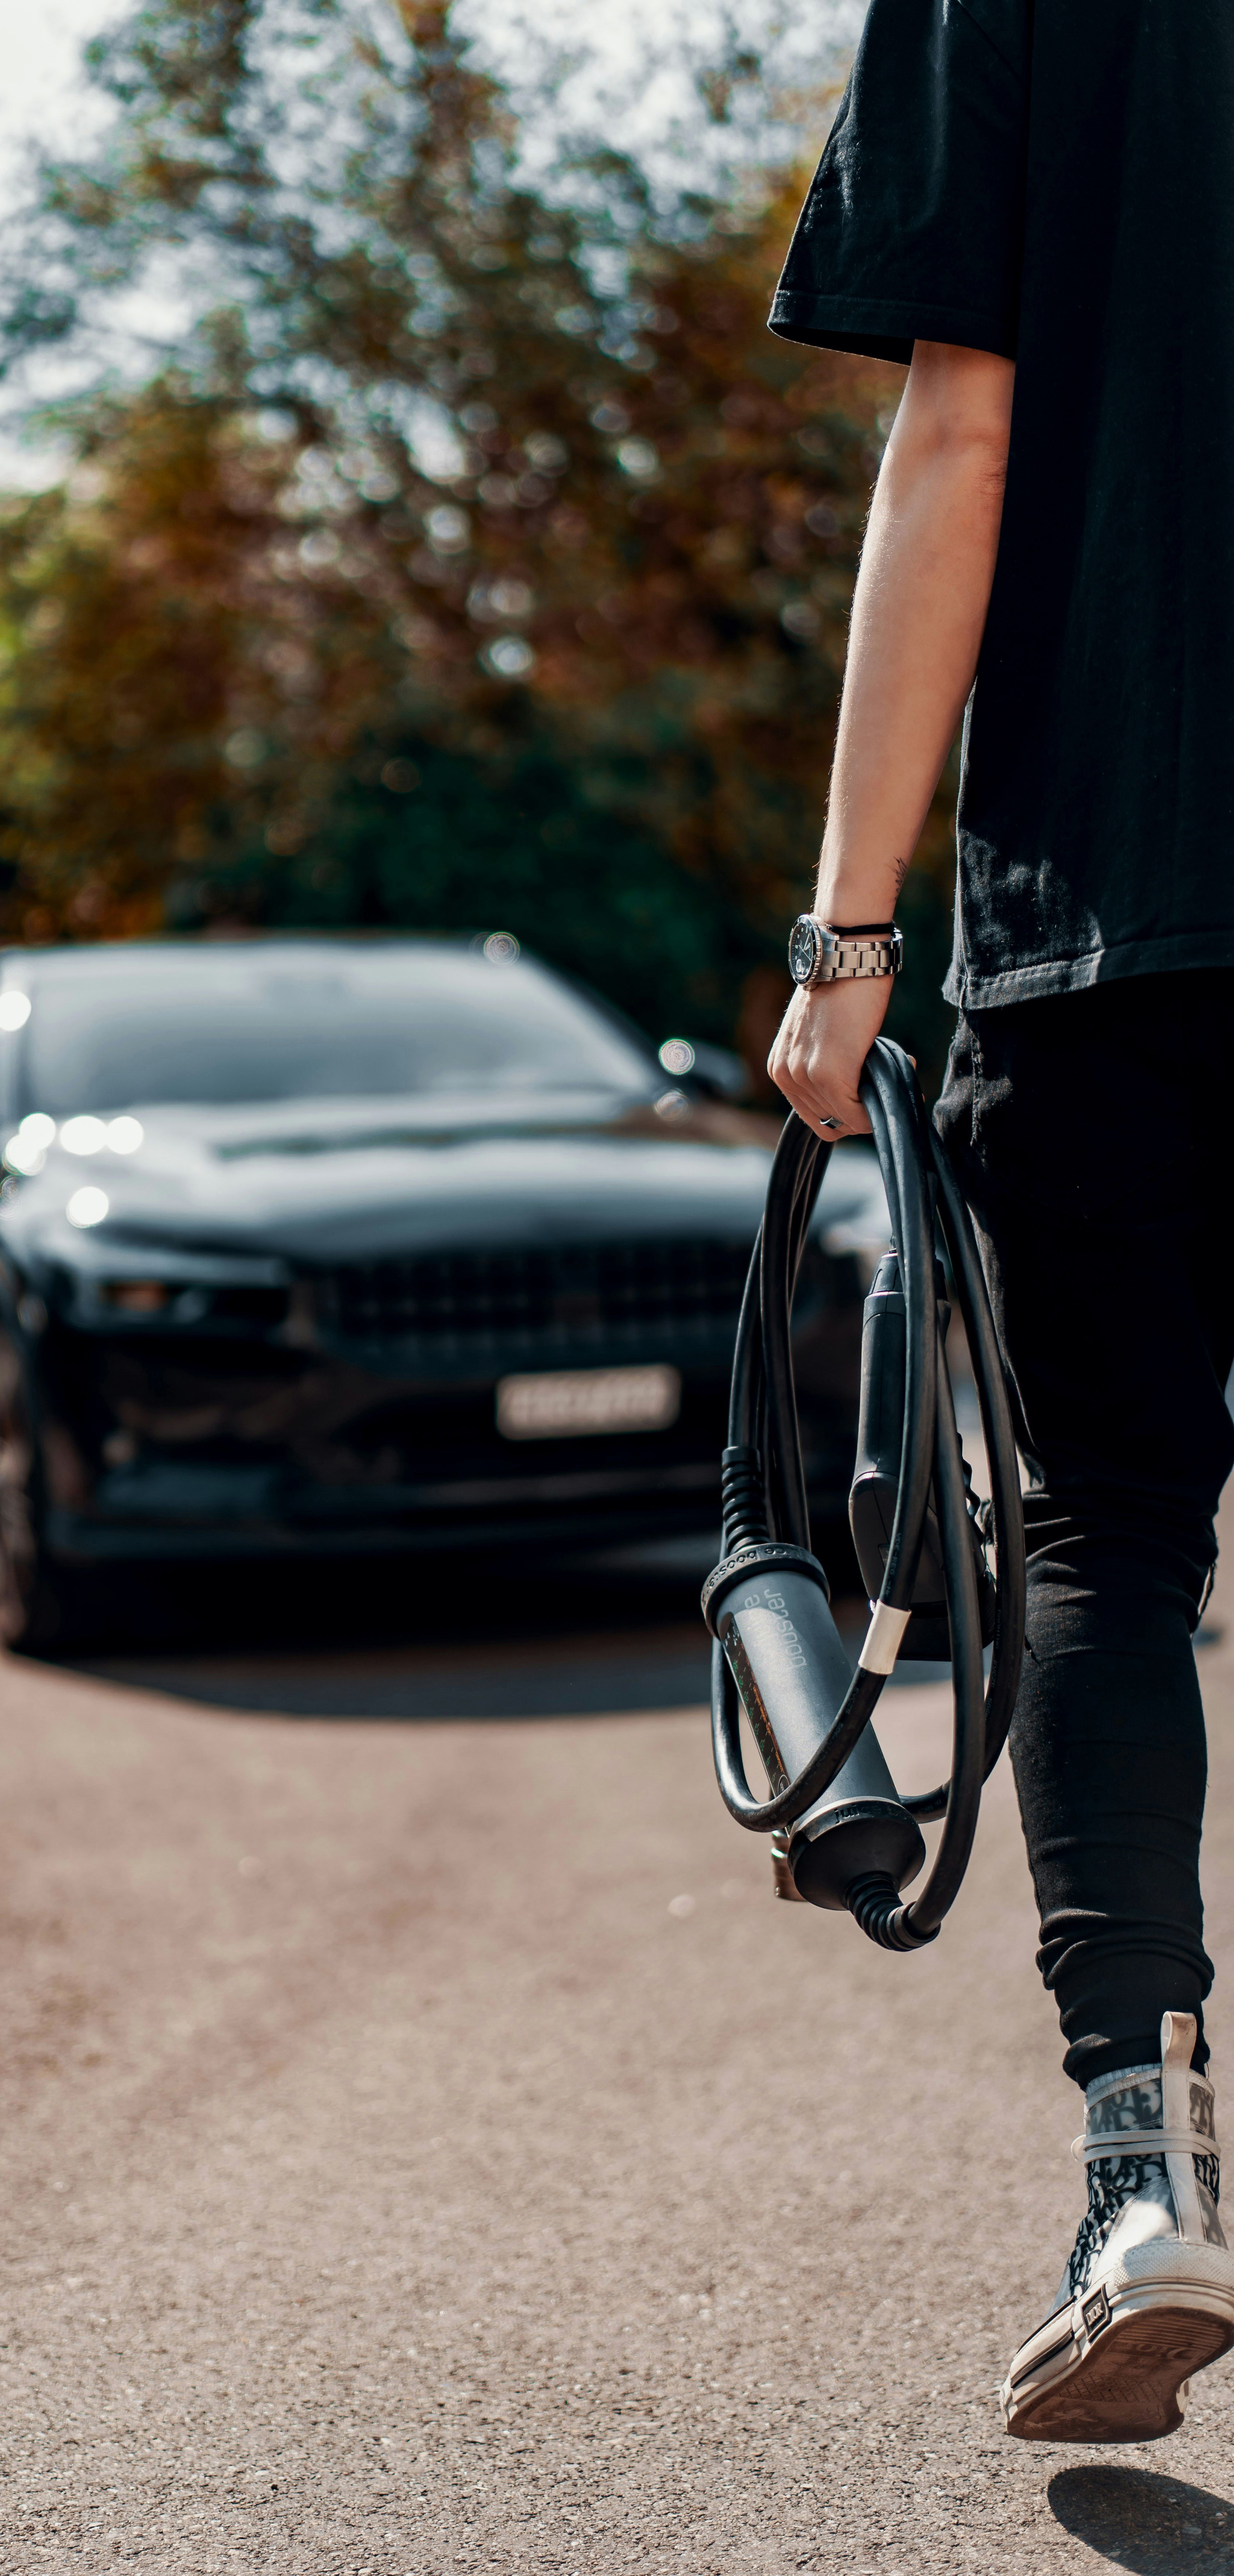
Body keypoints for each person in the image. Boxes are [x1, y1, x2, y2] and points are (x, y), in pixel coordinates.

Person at [764, 0, 1234, 2446]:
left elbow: (963, 423)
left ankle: (1144, 2176)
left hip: (1117, 929)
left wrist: (850, 941)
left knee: (1112, 1539)